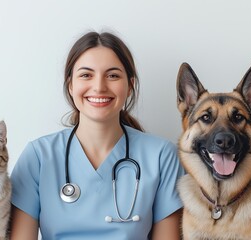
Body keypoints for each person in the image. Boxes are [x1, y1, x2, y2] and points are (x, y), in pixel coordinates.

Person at [10, 31, 184, 239]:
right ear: (71, 85)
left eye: (112, 75)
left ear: (130, 86)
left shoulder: (162, 156)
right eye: (86, 75)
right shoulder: (38, 157)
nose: (99, 87)